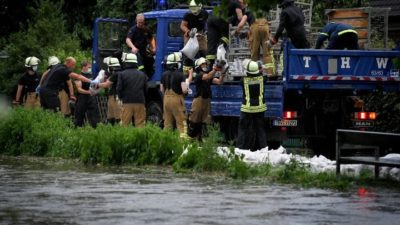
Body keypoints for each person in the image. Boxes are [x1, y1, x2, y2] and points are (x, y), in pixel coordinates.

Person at [188, 57, 225, 140]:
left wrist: (223, 73)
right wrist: (215, 69)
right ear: (198, 66)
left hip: (207, 100)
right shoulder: (198, 76)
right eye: (203, 64)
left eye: (205, 64)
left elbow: (219, 82)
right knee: (195, 121)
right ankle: (191, 139)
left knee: (205, 122)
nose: (205, 65)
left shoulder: (207, 76)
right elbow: (208, 76)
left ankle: (201, 140)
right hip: (199, 100)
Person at [236, 60, 267, 151]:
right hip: (259, 109)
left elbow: (244, 76)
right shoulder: (262, 79)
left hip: (247, 109)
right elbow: (264, 75)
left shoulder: (243, 80)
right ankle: (264, 149)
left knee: (243, 129)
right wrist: (261, 69)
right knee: (260, 130)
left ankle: (240, 149)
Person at [160, 52, 189, 138]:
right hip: (177, 100)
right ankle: (182, 145)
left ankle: (166, 143)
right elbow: (184, 90)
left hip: (166, 100)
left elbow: (162, 90)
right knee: (181, 123)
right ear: (176, 63)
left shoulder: (163, 75)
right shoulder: (181, 75)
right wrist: (187, 89)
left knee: (167, 123)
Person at [117, 53, 148, 127]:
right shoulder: (142, 75)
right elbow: (146, 89)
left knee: (125, 125)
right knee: (140, 125)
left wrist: (121, 97)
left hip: (127, 102)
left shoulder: (122, 74)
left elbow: (119, 88)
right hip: (140, 102)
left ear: (126, 63)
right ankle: (139, 138)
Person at [180, 0, 209, 73]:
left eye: (196, 12)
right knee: (187, 54)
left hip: (201, 33)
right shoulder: (187, 15)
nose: (195, 13)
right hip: (190, 33)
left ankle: (205, 70)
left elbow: (206, 23)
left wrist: (205, 31)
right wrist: (188, 32)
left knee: (205, 52)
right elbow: (182, 25)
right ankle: (186, 71)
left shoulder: (204, 13)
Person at [248, 10, 275, 78]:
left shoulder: (249, 11)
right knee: (267, 53)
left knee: (255, 53)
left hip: (255, 28)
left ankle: (254, 72)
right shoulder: (263, 8)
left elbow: (242, 21)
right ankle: (270, 73)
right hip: (265, 26)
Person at [73, 61, 99, 128]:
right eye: (89, 67)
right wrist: (89, 92)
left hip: (91, 98)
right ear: (84, 67)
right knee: (79, 117)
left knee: (94, 116)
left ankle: (95, 130)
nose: (90, 69)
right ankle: (77, 130)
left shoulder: (92, 75)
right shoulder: (78, 76)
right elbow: (79, 89)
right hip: (82, 98)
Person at [98, 57, 123, 125]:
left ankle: (117, 131)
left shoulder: (116, 74)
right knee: (111, 116)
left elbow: (106, 84)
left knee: (117, 117)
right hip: (114, 97)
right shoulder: (119, 73)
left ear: (111, 66)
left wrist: (97, 85)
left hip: (115, 97)